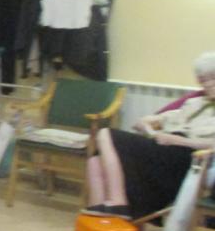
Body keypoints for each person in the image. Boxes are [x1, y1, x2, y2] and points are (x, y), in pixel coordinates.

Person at [81, 51, 215, 221]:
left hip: (187, 158)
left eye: (213, 77)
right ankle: (97, 214)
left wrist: (179, 140)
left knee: (106, 134)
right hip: (164, 148)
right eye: (203, 80)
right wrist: (147, 125)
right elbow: (160, 118)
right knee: (97, 156)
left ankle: (118, 203)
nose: (208, 84)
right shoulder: (194, 102)